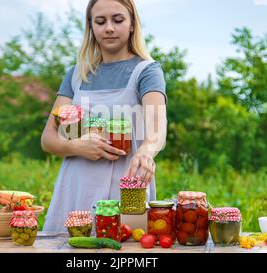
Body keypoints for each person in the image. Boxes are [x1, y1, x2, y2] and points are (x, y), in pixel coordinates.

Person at [41, 0, 167, 232]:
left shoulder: (147, 71)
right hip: (76, 186)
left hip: (126, 186)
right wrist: (78, 147)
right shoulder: (77, 74)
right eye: (100, 21)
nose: (109, 27)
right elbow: (48, 138)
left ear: (131, 25)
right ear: (91, 27)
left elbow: (157, 131)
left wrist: (147, 151)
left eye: (118, 20)